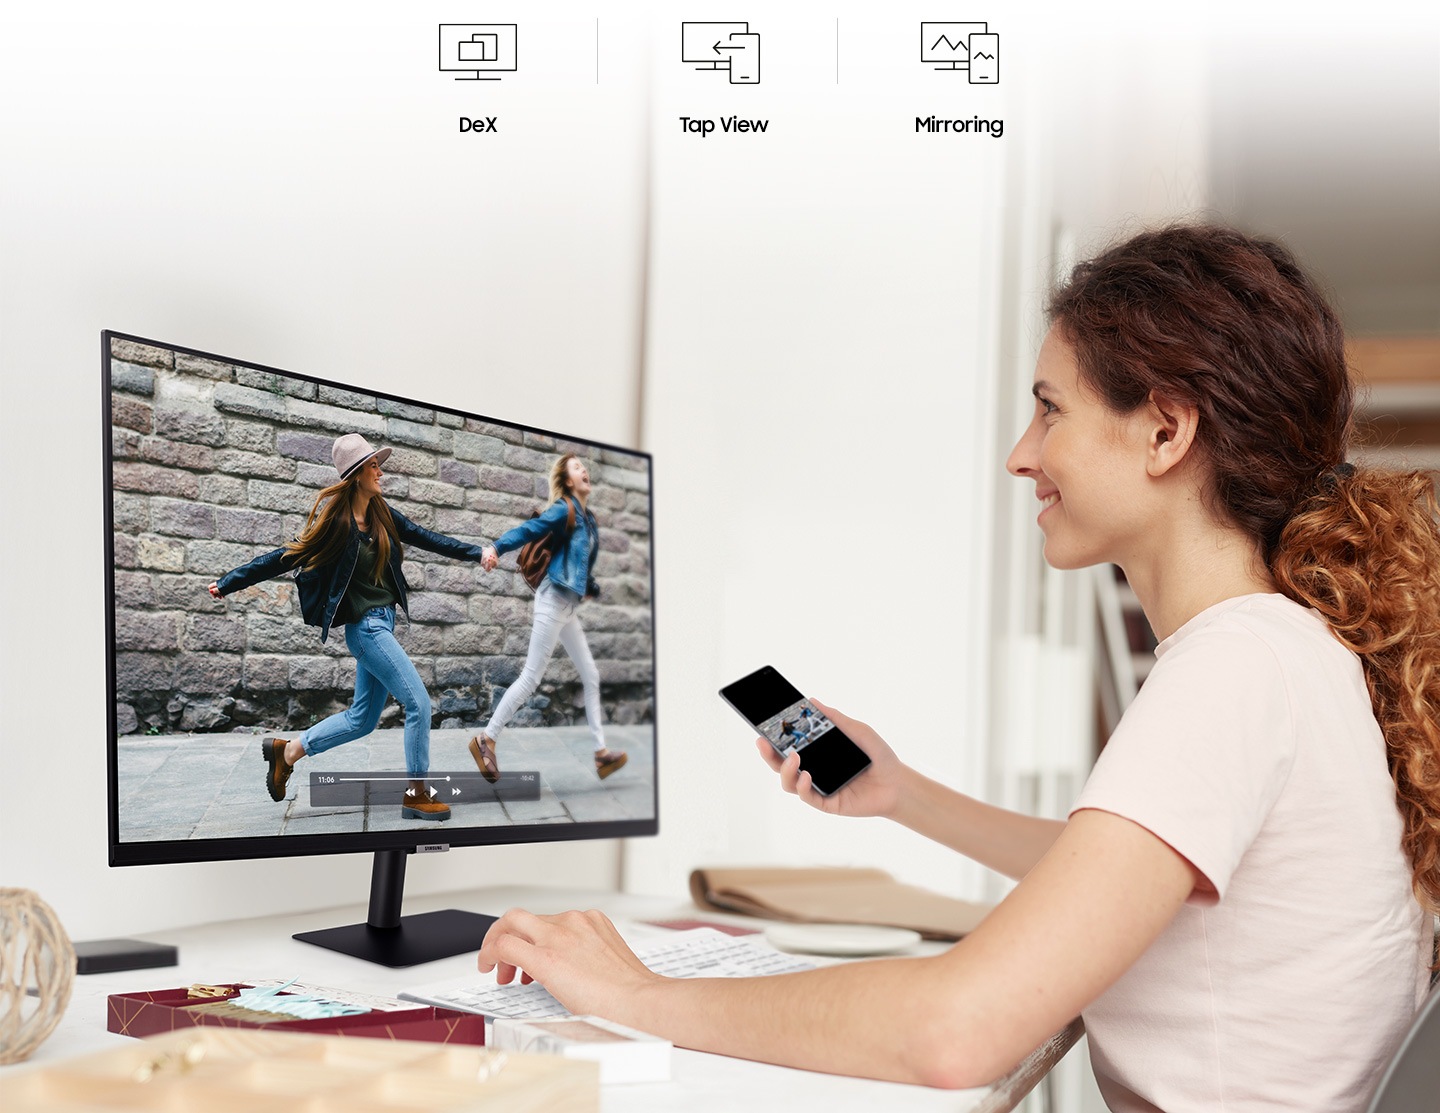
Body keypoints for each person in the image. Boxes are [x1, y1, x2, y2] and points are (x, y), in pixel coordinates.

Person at [473, 225, 1440, 1108]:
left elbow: (955, 1031)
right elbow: (1121, 875)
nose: (1024, 456)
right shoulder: (1285, 651)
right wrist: (902, 793)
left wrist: (634, 992)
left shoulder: (1233, 669)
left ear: (1166, 431)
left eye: (1050, 411)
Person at [208, 432, 491, 822]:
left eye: (378, 464)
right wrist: (229, 582)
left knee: (362, 720)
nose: (381, 472)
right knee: (418, 703)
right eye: (374, 465)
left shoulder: (382, 514)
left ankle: (287, 752)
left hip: (383, 625)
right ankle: (417, 794)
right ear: (357, 474)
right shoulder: (337, 525)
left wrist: (476, 552)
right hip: (366, 630)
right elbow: (284, 557)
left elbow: (427, 538)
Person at [470, 453, 628, 783]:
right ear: (568, 481)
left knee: (591, 675)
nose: (584, 470)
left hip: (567, 608)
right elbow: (531, 529)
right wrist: (497, 548)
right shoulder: (565, 509)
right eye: (577, 468)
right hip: (551, 601)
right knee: (531, 678)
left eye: (584, 467)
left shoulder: (590, 519)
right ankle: (486, 738)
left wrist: (590, 587)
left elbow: (581, 565)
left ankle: (601, 755)